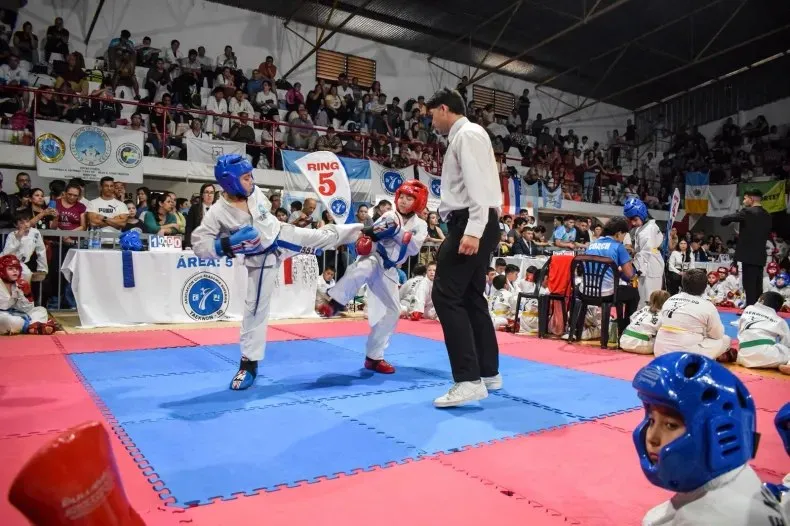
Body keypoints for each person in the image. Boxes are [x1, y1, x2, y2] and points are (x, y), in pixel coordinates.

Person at [191, 154, 363, 390]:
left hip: (282, 236)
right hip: (260, 258)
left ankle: (366, 233)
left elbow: (267, 220)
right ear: (229, 181)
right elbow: (199, 244)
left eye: (250, 175)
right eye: (245, 177)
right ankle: (248, 364)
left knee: (322, 237)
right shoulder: (217, 212)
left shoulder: (256, 192)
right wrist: (227, 244)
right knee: (254, 308)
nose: (251, 180)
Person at [632, 352, 787, 525]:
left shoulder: (710, 520)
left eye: (670, 425)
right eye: (652, 421)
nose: (652, 437)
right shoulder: (737, 479)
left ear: (717, 434)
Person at [426, 88, 503, 408]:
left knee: (444, 295)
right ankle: (487, 373)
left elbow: (479, 185)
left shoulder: (467, 134)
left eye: (432, 115)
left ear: (444, 109)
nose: (431, 122)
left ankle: (468, 379)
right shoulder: (468, 135)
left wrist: (472, 230)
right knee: (470, 296)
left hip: (472, 222)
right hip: (476, 222)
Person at [316, 180, 429, 374]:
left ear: (418, 202)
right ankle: (334, 302)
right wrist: (365, 241)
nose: (402, 201)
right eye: (401, 196)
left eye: (409, 198)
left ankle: (374, 357)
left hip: (390, 269)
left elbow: (413, 248)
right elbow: (370, 236)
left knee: (393, 311)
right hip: (375, 257)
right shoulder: (388, 215)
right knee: (361, 269)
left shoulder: (421, 225)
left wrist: (397, 231)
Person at [653, 269, 731, 360]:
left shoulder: (670, 299)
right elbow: (717, 335)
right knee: (725, 340)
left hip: (660, 351)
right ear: (705, 286)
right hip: (686, 355)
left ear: (682, 283)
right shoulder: (707, 305)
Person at [584, 216, 640, 336]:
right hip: (606, 294)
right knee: (634, 294)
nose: (624, 238)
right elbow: (630, 274)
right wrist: (622, 270)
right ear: (619, 233)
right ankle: (624, 330)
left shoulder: (592, 244)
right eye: (624, 235)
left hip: (586, 291)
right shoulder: (618, 246)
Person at [721, 189, 772, 306]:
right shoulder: (767, 215)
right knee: (757, 286)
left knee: (749, 286)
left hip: (748, 255)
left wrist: (727, 220)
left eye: (745, 198)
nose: (744, 201)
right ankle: (757, 309)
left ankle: (749, 311)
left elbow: (725, 220)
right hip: (760, 255)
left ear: (751, 199)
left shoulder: (747, 211)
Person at [623, 197, 664, 307]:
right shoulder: (645, 227)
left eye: (635, 219)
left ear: (642, 214)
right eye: (630, 220)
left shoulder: (649, 229)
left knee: (649, 300)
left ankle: (649, 322)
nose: (633, 223)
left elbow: (646, 251)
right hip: (647, 264)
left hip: (651, 265)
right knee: (642, 299)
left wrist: (634, 267)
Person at [0, 255, 54, 335]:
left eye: (17, 268)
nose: (15, 271)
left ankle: (33, 327)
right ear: (2, 271)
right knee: (4, 319)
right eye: (10, 269)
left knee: (40, 310)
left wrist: (27, 294)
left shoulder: (19, 283)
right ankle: (33, 327)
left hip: (15, 313)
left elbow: (26, 309)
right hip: (4, 316)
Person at [735, 291, 790, 369]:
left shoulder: (748, 309)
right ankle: (788, 364)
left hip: (743, 357)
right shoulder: (779, 321)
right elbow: (787, 343)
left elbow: (740, 329)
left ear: (760, 300)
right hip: (766, 356)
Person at [619, 289, 670, 355]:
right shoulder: (663, 315)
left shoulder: (643, 309)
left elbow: (632, 318)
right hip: (644, 347)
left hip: (624, 342)